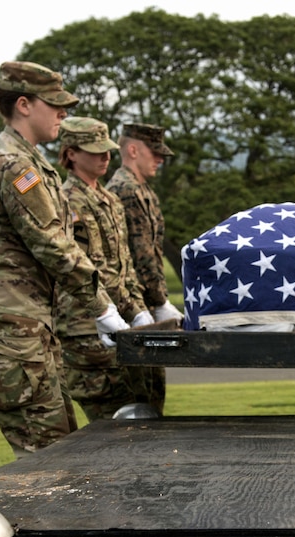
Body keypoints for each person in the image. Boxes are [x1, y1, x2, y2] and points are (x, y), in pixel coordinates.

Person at [0, 61, 125, 457]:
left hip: (22, 322)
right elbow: (52, 243)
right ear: (25, 105)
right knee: (45, 454)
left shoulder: (27, 161)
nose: (63, 114)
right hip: (6, 324)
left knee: (59, 443)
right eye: (55, 105)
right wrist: (101, 306)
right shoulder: (13, 164)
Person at [54, 117, 155, 420]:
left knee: (141, 411)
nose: (105, 157)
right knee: (110, 422)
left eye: (108, 150)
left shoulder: (109, 200)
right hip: (86, 328)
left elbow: (125, 265)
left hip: (119, 323)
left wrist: (139, 309)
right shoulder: (68, 200)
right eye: (95, 151)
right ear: (71, 153)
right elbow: (96, 266)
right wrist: (131, 309)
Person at [106, 123, 183, 414]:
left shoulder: (142, 189)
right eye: (155, 152)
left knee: (152, 390)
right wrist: (159, 300)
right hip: (133, 304)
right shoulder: (125, 190)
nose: (160, 159)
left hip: (144, 303)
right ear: (133, 150)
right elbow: (140, 254)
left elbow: (153, 249)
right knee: (143, 397)